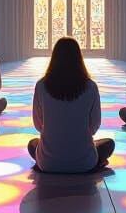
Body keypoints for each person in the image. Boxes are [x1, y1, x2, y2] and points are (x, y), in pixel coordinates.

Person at [28, 36, 115, 173]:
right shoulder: (91, 86)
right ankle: (94, 162)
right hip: (84, 162)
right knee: (109, 144)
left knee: (32, 144)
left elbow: (38, 125)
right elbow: (94, 126)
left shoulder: (41, 85)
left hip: (48, 163)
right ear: (78, 57)